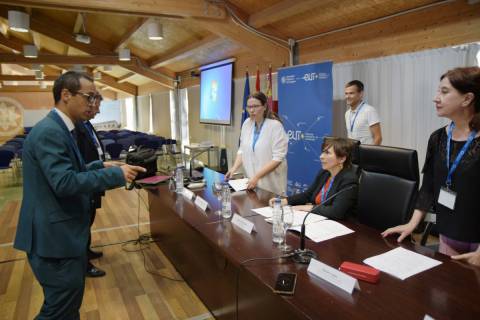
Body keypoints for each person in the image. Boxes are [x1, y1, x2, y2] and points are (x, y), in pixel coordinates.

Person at [13, 71, 146, 319]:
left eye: (96, 98)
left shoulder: (62, 128)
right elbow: (63, 182)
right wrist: (117, 176)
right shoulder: (51, 132)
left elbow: (67, 172)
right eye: (89, 97)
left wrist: (99, 167)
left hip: (57, 237)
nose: (94, 104)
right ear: (66, 95)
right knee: (60, 311)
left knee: (66, 308)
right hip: (53, 241)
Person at [382, 66, 480, 267]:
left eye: (444, 92)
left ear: (467, 99)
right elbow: (428, 187)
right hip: (448, 234)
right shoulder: (437, 138)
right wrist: (412, 223)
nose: (436, 98)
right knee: (450, 292)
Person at [269, 137, 358, 220]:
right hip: (318, 219)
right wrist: (284, 201)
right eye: (323, 152)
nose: (321, 156)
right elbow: (308, 195)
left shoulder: (349, 180)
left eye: (327, 153)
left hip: (341, 226)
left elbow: (336, 212)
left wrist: (307, 207)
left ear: (342, 159)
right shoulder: (324, 173)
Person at [75, 91, 110, 278]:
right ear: (88, 105)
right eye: (96, 107)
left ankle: (86, 251)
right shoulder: (75, 128)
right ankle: (83, 264)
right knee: (82, 222)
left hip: (94, 177)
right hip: (87, 178)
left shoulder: (87, 125)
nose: (97, 111)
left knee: (89, 218)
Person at [226, 91, 288, 195]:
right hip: (253, 183)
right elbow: (242, 150)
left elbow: (278, 158)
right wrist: (234, 168)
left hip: (271, 185)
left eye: (255, 106)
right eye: (249, 107)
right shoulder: (247, 123)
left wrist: (257, 177)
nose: (251, 110)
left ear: (264, 106)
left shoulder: (275, 126)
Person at [344, 80, 382, 145]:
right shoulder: (347, 113)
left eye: (351, 93)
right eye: (346, 93)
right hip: (352, 153)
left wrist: (370, 154)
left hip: (366, 154)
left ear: (361, 94)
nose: (347, 96)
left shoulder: (369, 110)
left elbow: (378, 138)